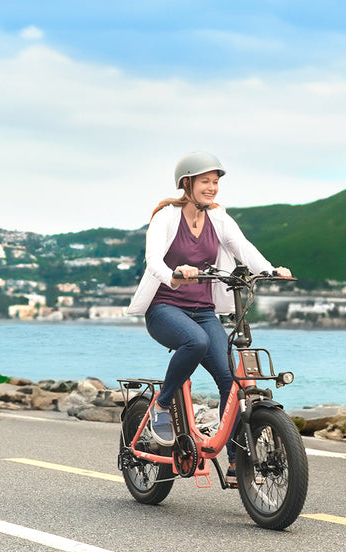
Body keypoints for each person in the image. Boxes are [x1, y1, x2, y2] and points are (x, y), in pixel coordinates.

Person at [126, 151, 292, 481]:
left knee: (232, 382)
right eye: (205, 181)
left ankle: (235, 461)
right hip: (165, 308)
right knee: (196, 342)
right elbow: (153, 260)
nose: (212, 188)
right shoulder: (166, 217)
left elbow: (242, 247)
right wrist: (174, 274)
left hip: (204, 311)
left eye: (215, 182)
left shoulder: (219, 218)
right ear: (186, 183)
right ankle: (162, 404)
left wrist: (269, 269)